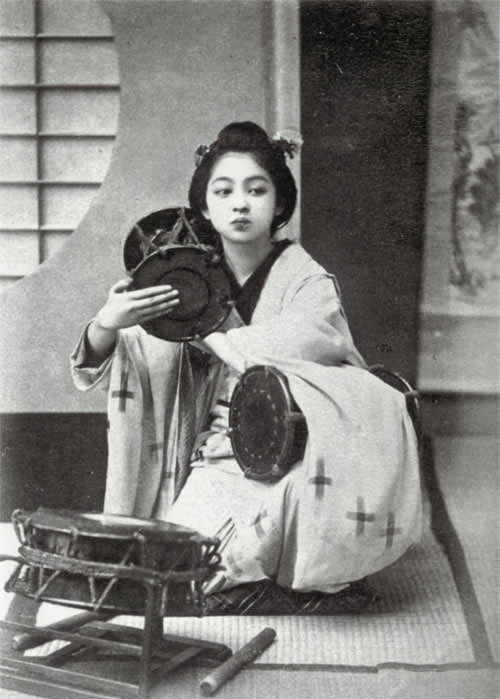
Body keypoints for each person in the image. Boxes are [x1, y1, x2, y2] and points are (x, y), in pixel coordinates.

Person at [71, 121, 422, 614]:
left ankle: (298, 583)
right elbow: (138, 351)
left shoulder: (306, 280)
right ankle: (277, 587)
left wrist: (208, 333)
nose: (240, 204)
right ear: (205, 206)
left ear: (279, 204)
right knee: (172, 566)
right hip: (212, 455)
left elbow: (310, 344)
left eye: (256, 190)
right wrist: (108, 324)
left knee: (249, 545)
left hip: (295, 453)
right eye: (224, 191)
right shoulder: (184, 275)